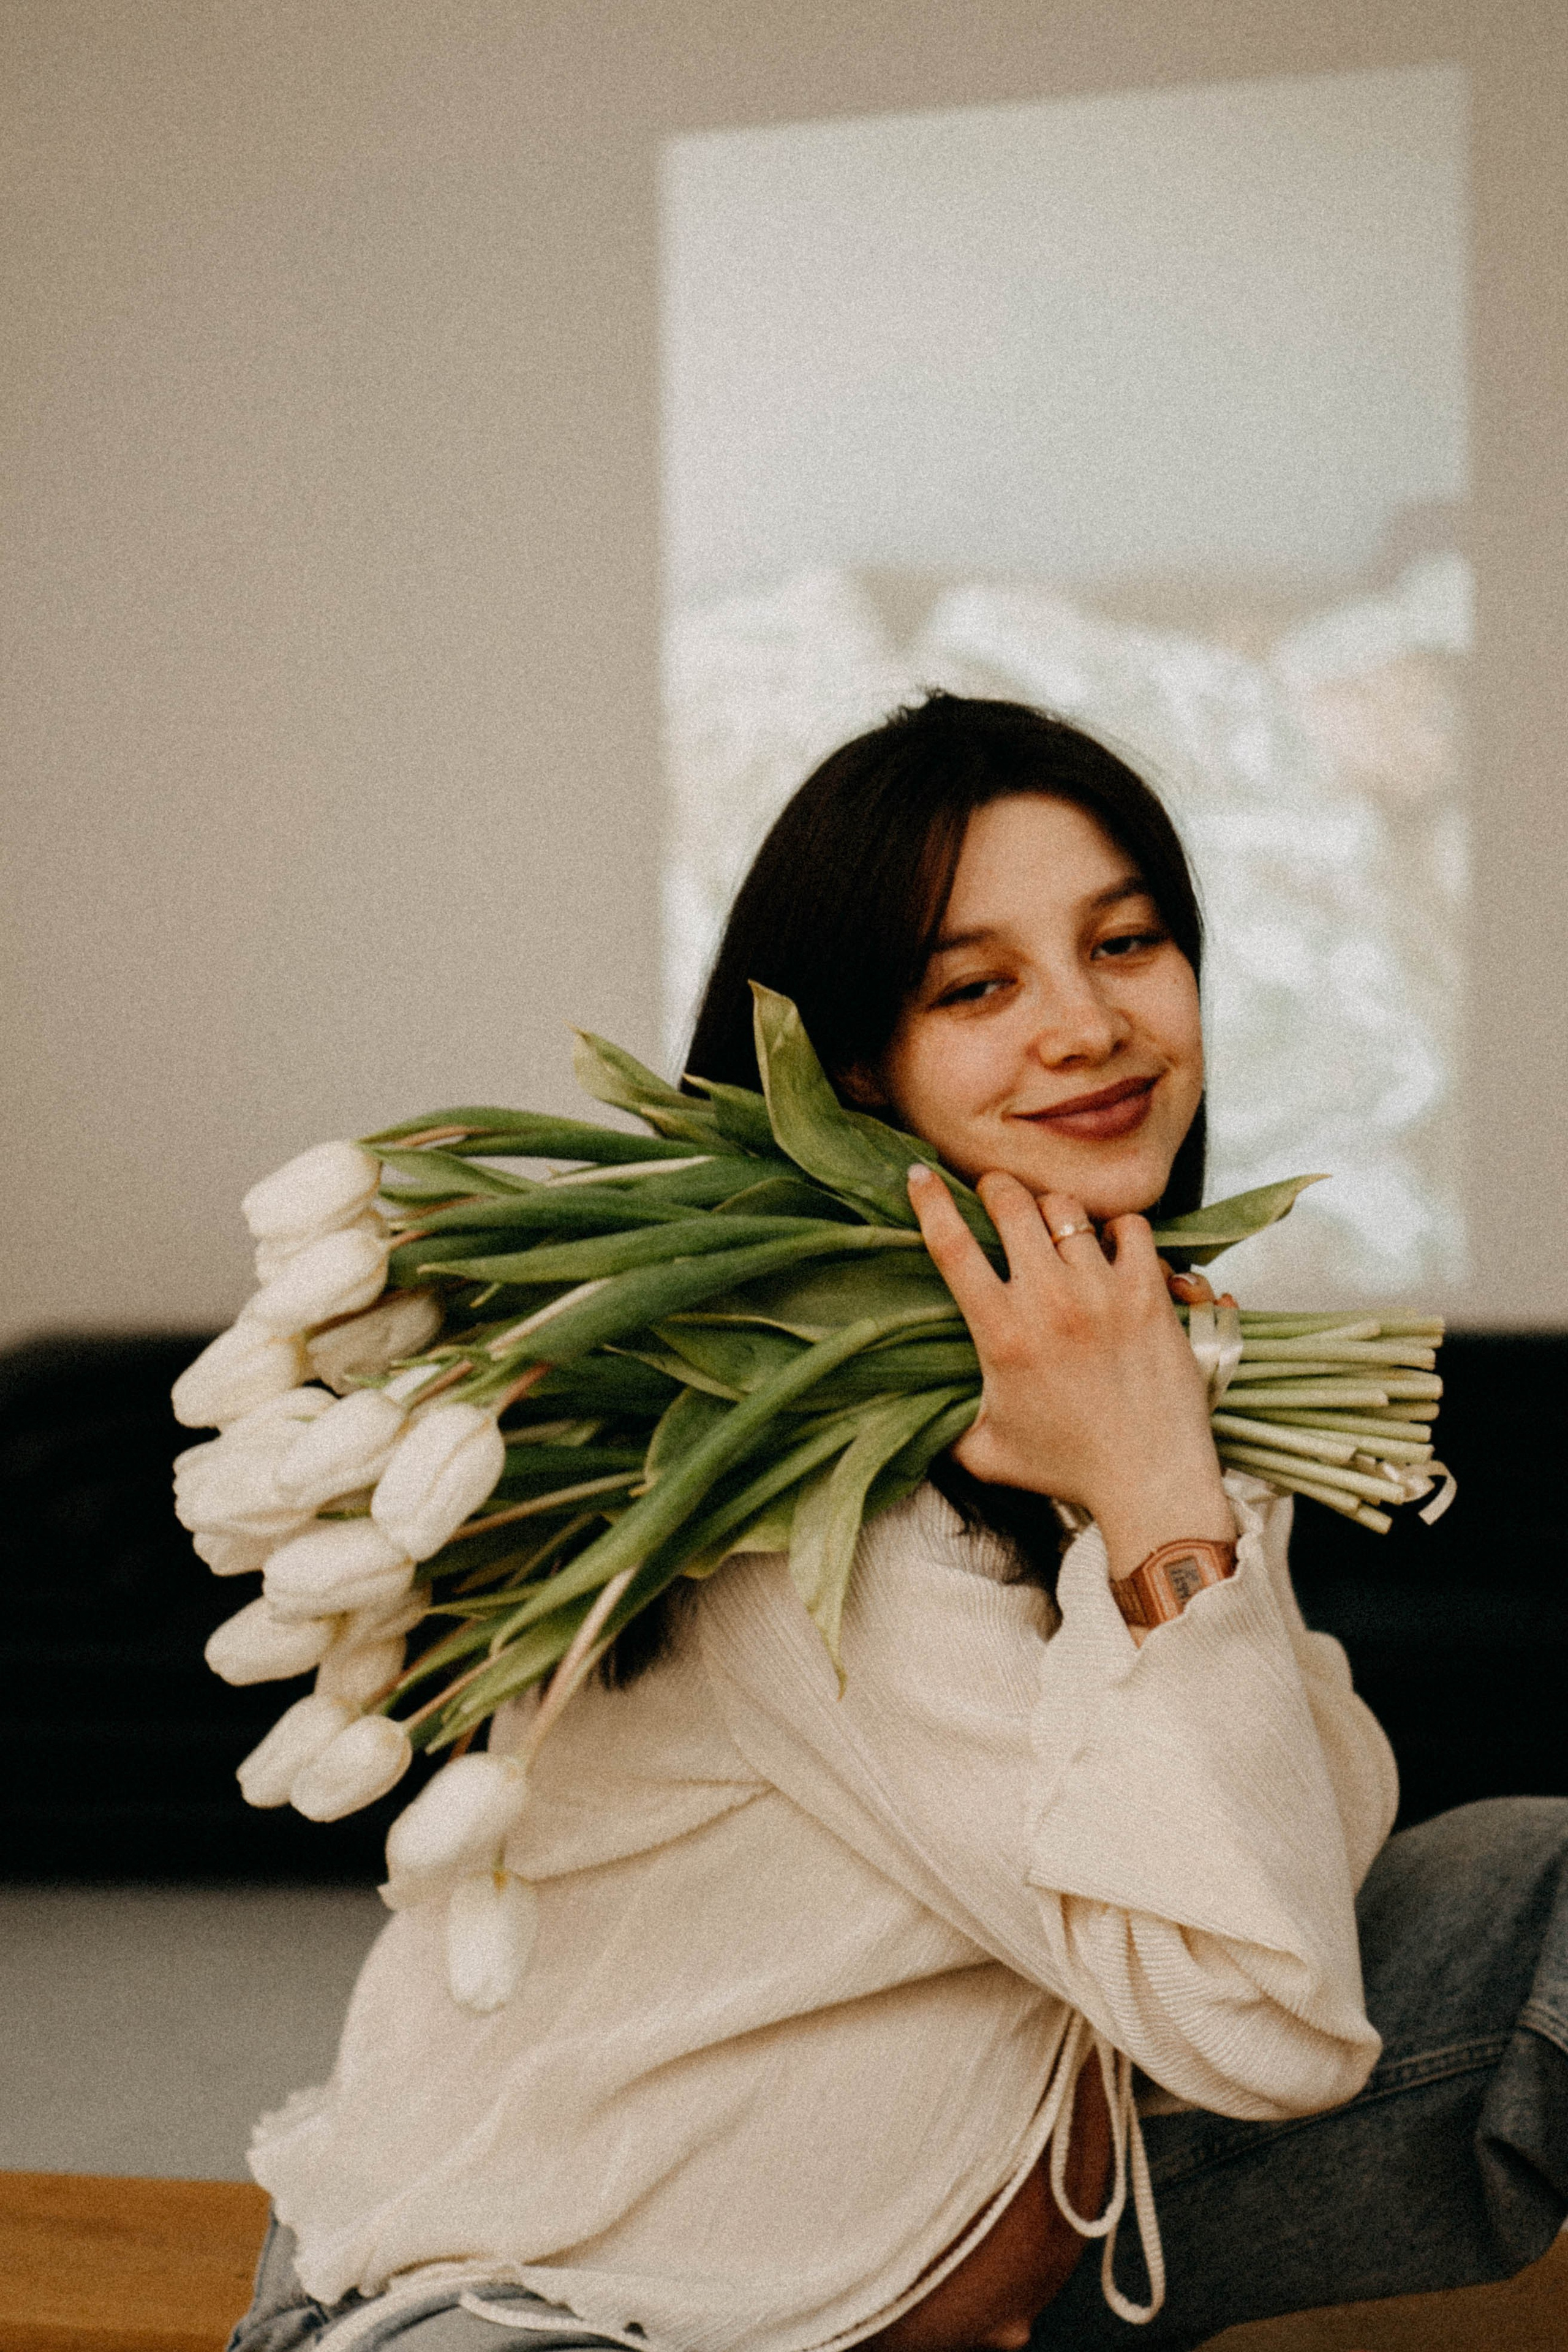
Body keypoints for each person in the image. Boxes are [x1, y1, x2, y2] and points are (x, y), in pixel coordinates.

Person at [232, 695, 1568, 2352]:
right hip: (559, 2315)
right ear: (854, 1063)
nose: (1087, 1026)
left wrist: (1167, 1473)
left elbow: (1313, 1853)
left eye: (1129, 943)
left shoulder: (1127, 1384)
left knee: (1540, 1879)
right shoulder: (791, 1485)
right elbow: (1269, 2024)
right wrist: (1157, 1499)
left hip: (971, 2227)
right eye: (977, 985)